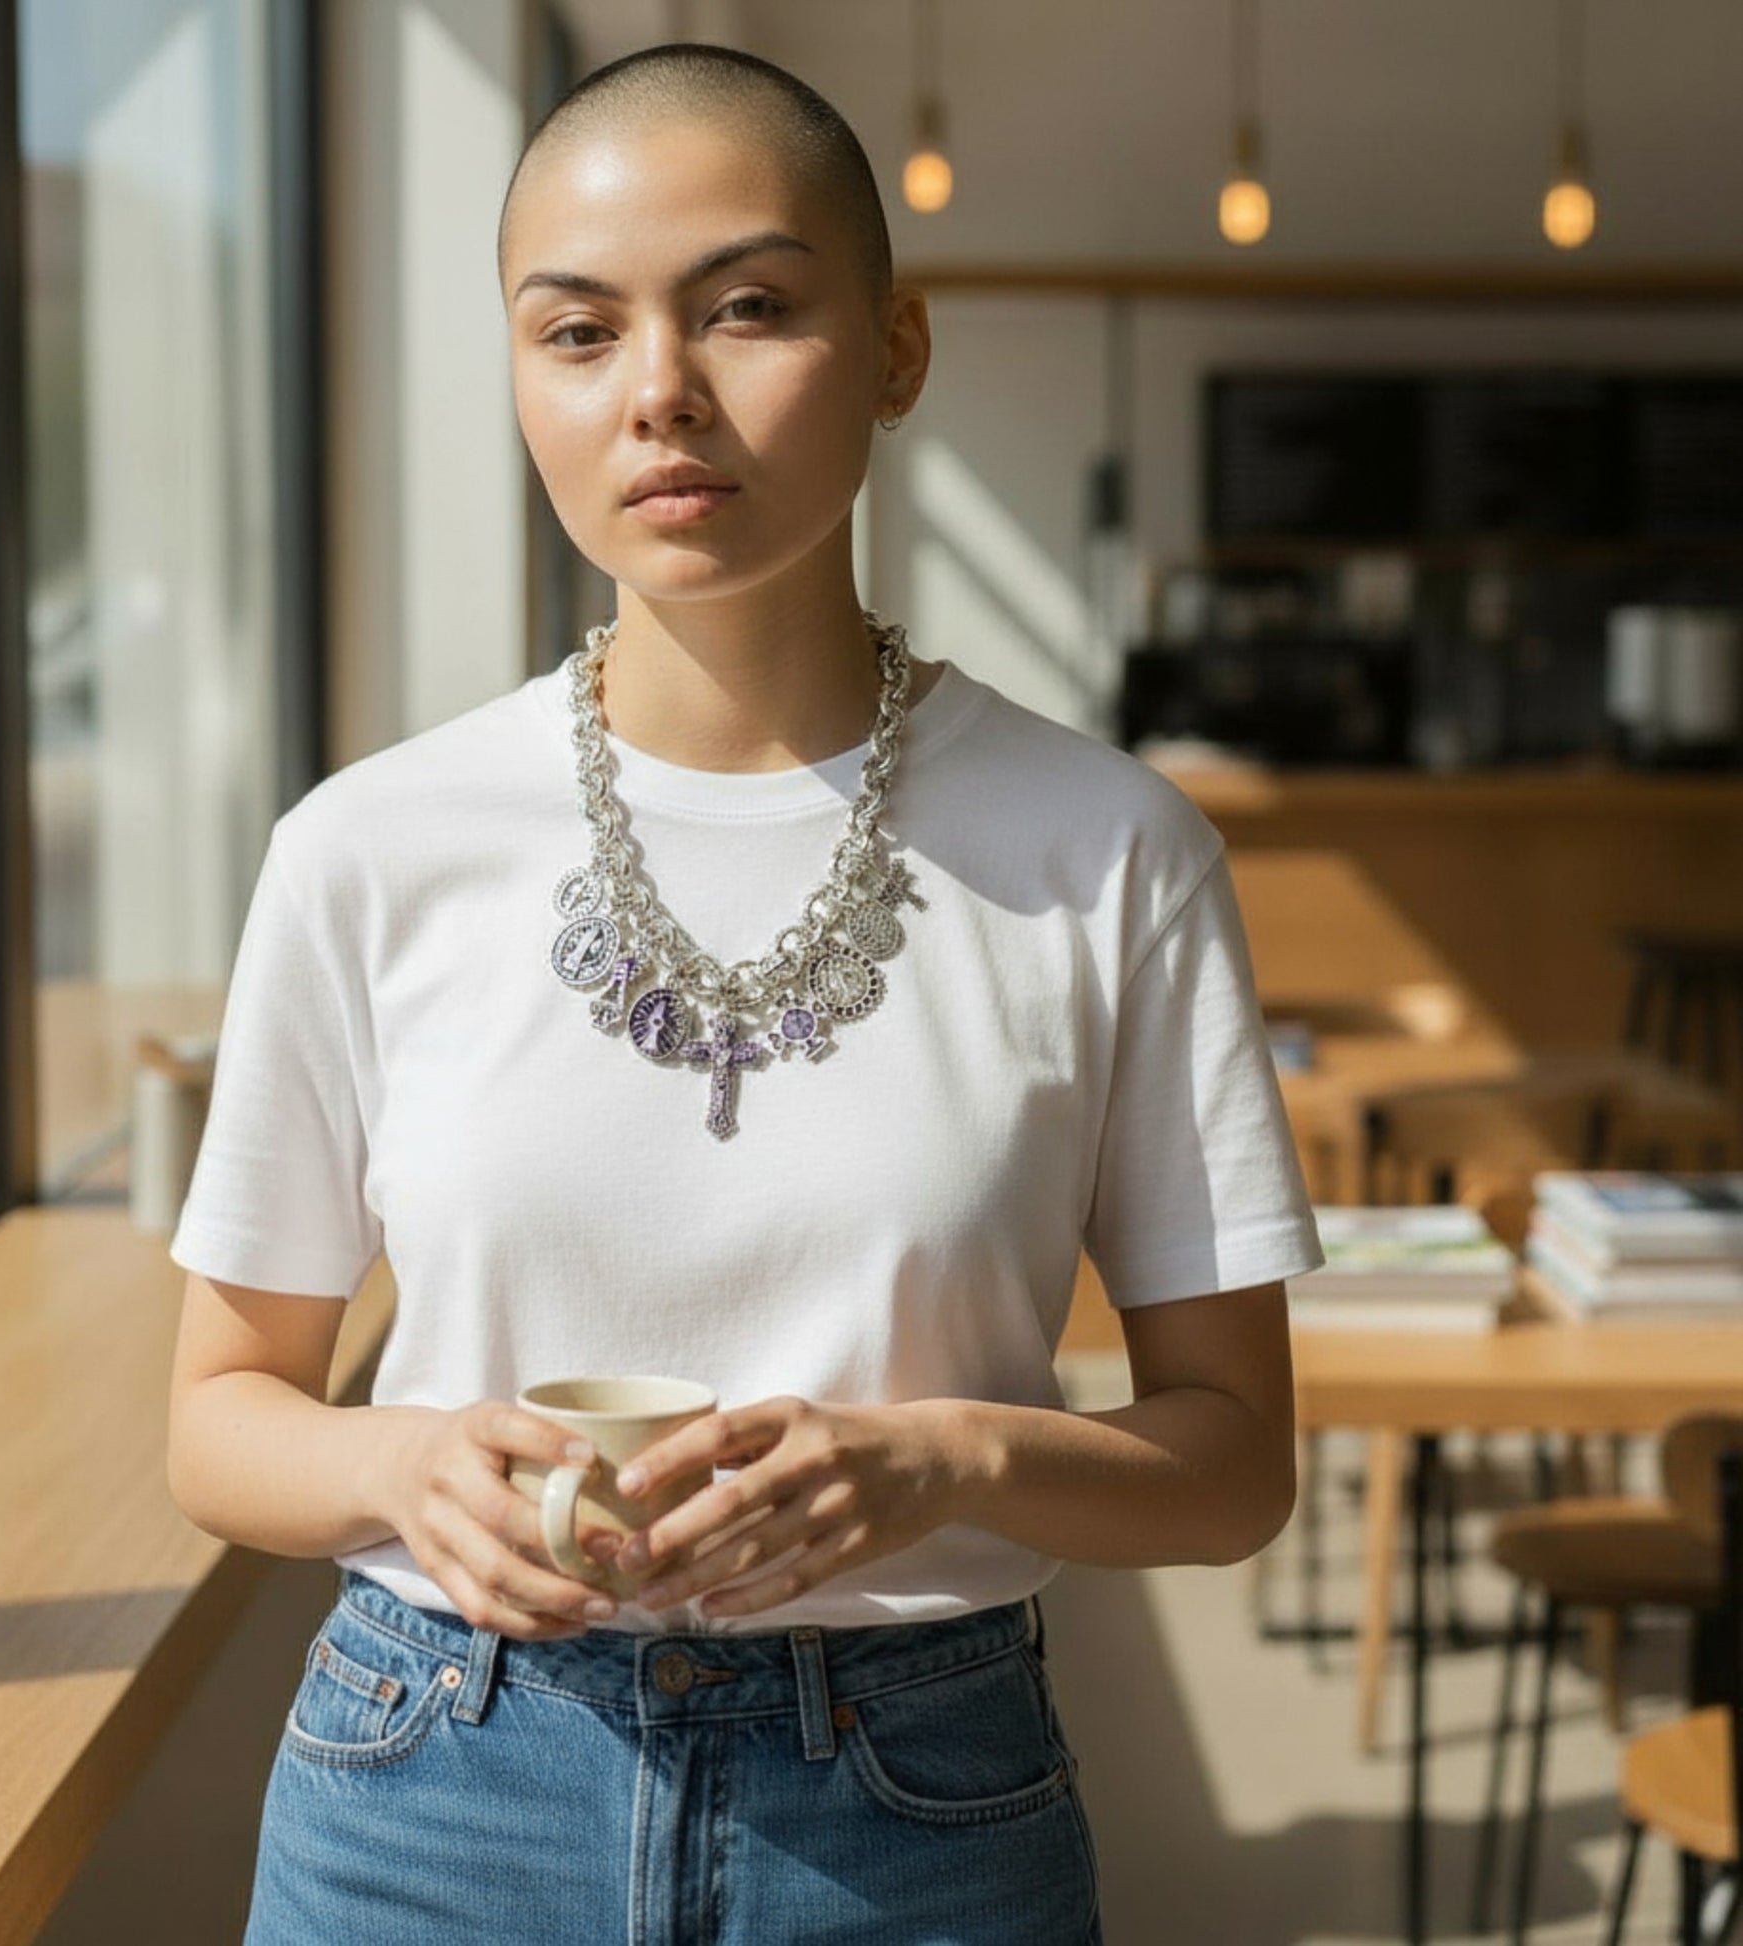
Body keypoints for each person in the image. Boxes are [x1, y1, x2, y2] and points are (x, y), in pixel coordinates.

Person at [165, 39, 1325, 1946]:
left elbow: (1231, 1461)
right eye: (576, 332)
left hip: (915, 1802)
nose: (659, 397)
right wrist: (406, 1462)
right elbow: (221, 1410)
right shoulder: (366, 845)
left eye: (750, 309)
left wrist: (943, 1455)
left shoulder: (1109, 849)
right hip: (430, 1784)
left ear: (896, 349)